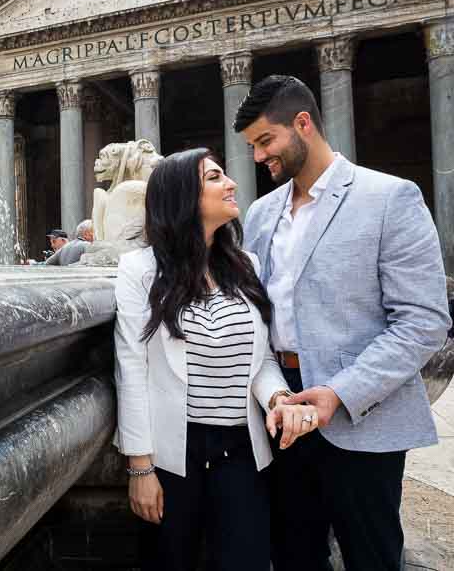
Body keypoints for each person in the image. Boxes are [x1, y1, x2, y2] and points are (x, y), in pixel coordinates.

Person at [234, 75, 451, 571]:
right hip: (281, 408)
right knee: (292, 553)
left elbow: (423, 320)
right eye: (252, 146)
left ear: (303, 124)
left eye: (265, 141)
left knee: (370, 555)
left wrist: (341, 393)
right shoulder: (262, 212)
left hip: (361, 412)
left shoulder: (389, 197)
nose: (258, 156)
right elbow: (258, 313)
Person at [113, 148, 319, 570]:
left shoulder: (247, 264)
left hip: (242, 451)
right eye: (215, 177)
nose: (232, 183)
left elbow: (259, 360)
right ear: (183, 196)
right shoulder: (139, 269)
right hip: (174, 454)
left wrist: (280, 398)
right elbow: (131, 370)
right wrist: (140, 469)